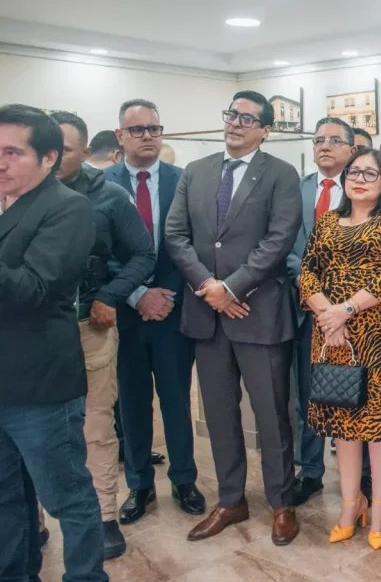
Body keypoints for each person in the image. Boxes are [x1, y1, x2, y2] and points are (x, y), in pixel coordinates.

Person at [164, 90, 303, 545]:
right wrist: (210, 287)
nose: (235, 124)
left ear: (266, 130)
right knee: (221, 414)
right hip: (208, 316)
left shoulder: (280, 174)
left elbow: (279, 240)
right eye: (232, 115)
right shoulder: (196, 171)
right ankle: (231, 500)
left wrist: (232, 288)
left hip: (259, 313)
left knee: (272, 416)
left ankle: (281, 503)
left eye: (247, 119)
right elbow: (176, 235)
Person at [0, 104, 106, 582]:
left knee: (68, 497)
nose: (1, 162)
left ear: (47, 157)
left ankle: (86, 575)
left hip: (40, 386)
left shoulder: (67, 207)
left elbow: (35, 290)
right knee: (5, 496)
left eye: (13, 152)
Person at [300, 148, 381, 551]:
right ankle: (352, 504)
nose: (360, 179)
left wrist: (344, 310)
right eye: (354, 172)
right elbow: (307, 272)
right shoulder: (328, 222)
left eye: (370, 173)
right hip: (333, 338)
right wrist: (327, 315)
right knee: (344, 425)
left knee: (379, 427)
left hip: (379, 336)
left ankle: (380, 509)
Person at [53, 111, 156, 560]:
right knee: (30, 428)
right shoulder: (15, 193)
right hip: (28, 333)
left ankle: (104, 516)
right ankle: (30, 519)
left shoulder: (108, 195)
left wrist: (110, 296)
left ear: (83, 151)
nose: (53, 158)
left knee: (96, 425)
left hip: (87, 328)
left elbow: (143, 253)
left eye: (63, 150)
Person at [106, 99, 205, 526]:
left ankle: (184, 479)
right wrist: (137, 294)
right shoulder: (101, 185)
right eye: (137, 129)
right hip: (124, 315)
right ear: (120, 136)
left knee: (177, 400)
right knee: (131, 404)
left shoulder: (183, 181)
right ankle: (139, 484)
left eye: (154, 128)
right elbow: (99, 251)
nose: (147, 136)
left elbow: (194, 246)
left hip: (173, 311)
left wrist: (167, 296)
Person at [287, 117, 355, 506]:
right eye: (318, 140)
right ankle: (310, 471)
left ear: (352, 149)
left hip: (354, 313)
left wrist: (340, 303)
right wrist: (312, 289)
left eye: (334, 140)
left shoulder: (365, 187)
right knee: (308, 396)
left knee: (355, 393)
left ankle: (361, 476)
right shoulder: (295, 189)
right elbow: (284, 245)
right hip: (305, 309)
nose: (324, 146)